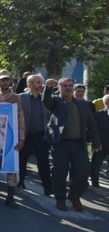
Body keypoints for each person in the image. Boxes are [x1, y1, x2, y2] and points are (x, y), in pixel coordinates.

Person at [43, 78, 101, 211]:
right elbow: (46, 102)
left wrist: (97, 142)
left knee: (84, 171)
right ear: (60, 87)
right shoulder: (56, 101)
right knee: (60, 173)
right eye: (64, 86)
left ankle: (74, 196)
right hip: (60, 144)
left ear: (73, 87)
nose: (68, 88)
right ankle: (60, 199)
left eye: (70, 85)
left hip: (79, 144)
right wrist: (48, 88)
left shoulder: (83, 104)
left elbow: (92, 124)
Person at [0, 70, 25, 208]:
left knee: (12, 165)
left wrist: (21, 138)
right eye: (2, 80)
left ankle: (10, 196)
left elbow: (20, 117)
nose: (4, 82)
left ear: (10, 81)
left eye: (7, 79)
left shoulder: (16, 97)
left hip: (11, 133)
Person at [18, 74, 53, 195]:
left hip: (41, 135)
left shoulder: (46, 99)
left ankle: (48, 188)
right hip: (25, 135)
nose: (40, 85)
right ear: (30, 84)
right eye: (38, 82)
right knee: (21, 160)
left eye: (41, 82)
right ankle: (19, 181)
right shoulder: (20, 98)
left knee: (44, 162)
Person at [91, 95, 109, 187]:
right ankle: (95, 182)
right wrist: (97, 143)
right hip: (102, 144)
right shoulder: (98, 115)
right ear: (106, 103)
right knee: (96, 165)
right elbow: (94, 131)